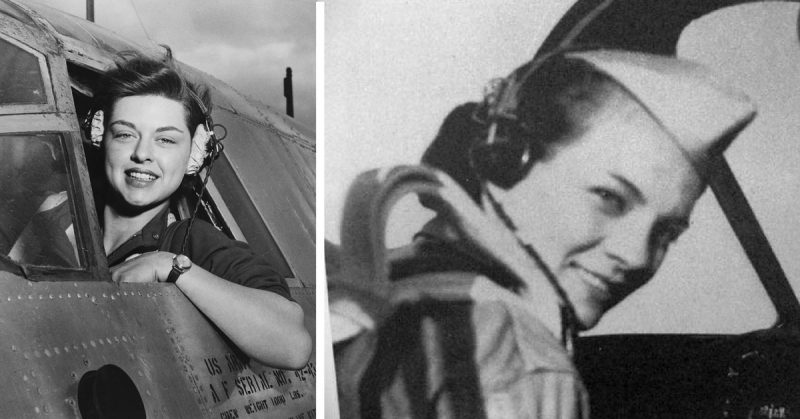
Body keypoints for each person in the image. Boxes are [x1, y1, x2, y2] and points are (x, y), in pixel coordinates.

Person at [329, 48, 756, 417]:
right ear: (505, 162)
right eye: (609, 197)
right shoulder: (515, 357)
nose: (638, 255)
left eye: (667, 232)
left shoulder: (388, 282)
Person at [90, 51, 311, 370]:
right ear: (101, 134)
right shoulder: (50, 219)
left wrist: (169, 266)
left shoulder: (190, 241)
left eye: (165, 140)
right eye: (125, 134)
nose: (142, 153)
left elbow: (293, 345)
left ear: (194, 152)